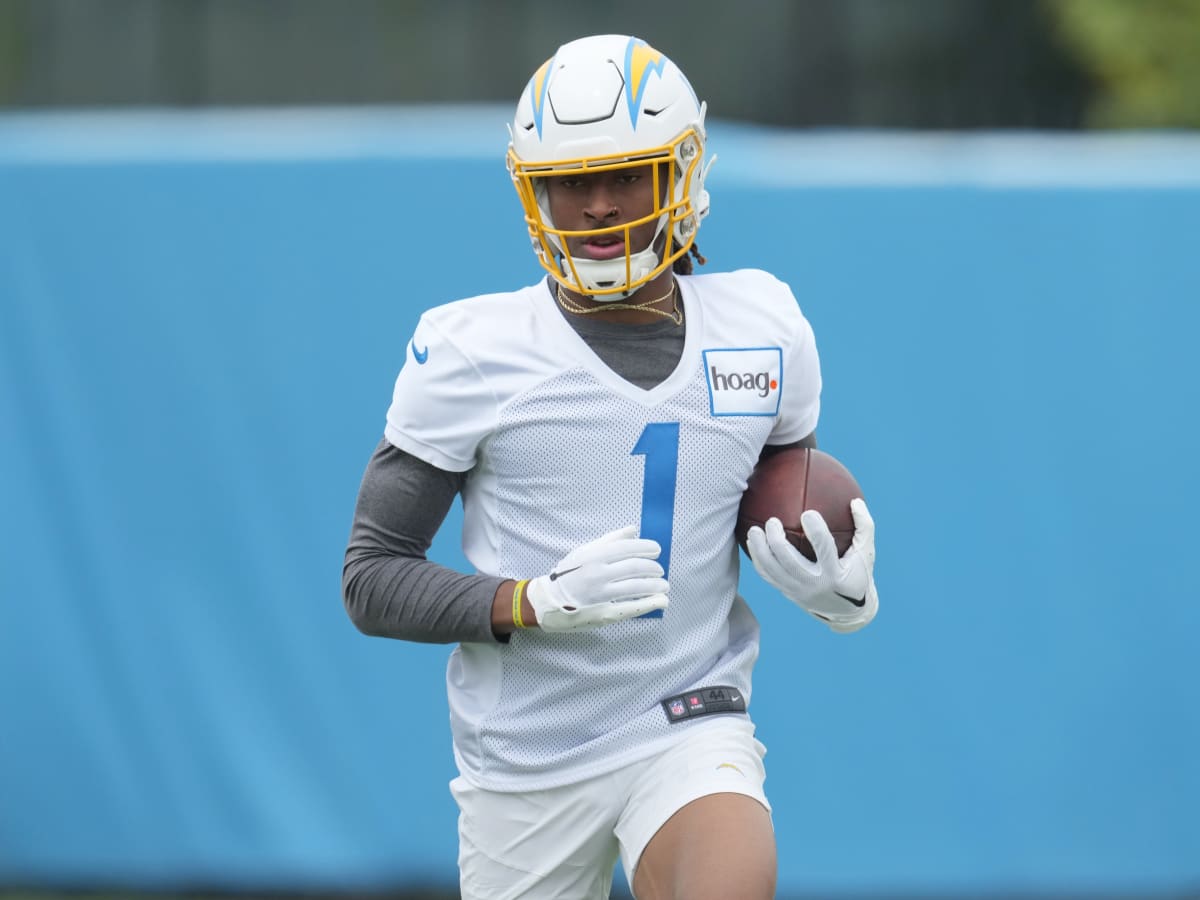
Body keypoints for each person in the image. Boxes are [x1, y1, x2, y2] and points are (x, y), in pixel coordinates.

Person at [343, 33, 879, 900]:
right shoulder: (473, 349)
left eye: (625, 174)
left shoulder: (764, 324)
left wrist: (839, 589)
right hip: (527, 759)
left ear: (682, 173)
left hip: (689, 720)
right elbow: (370, 577)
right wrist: (531, 603)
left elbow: (780, 499)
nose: (597, 206)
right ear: (533, 192)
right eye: (570, 182)